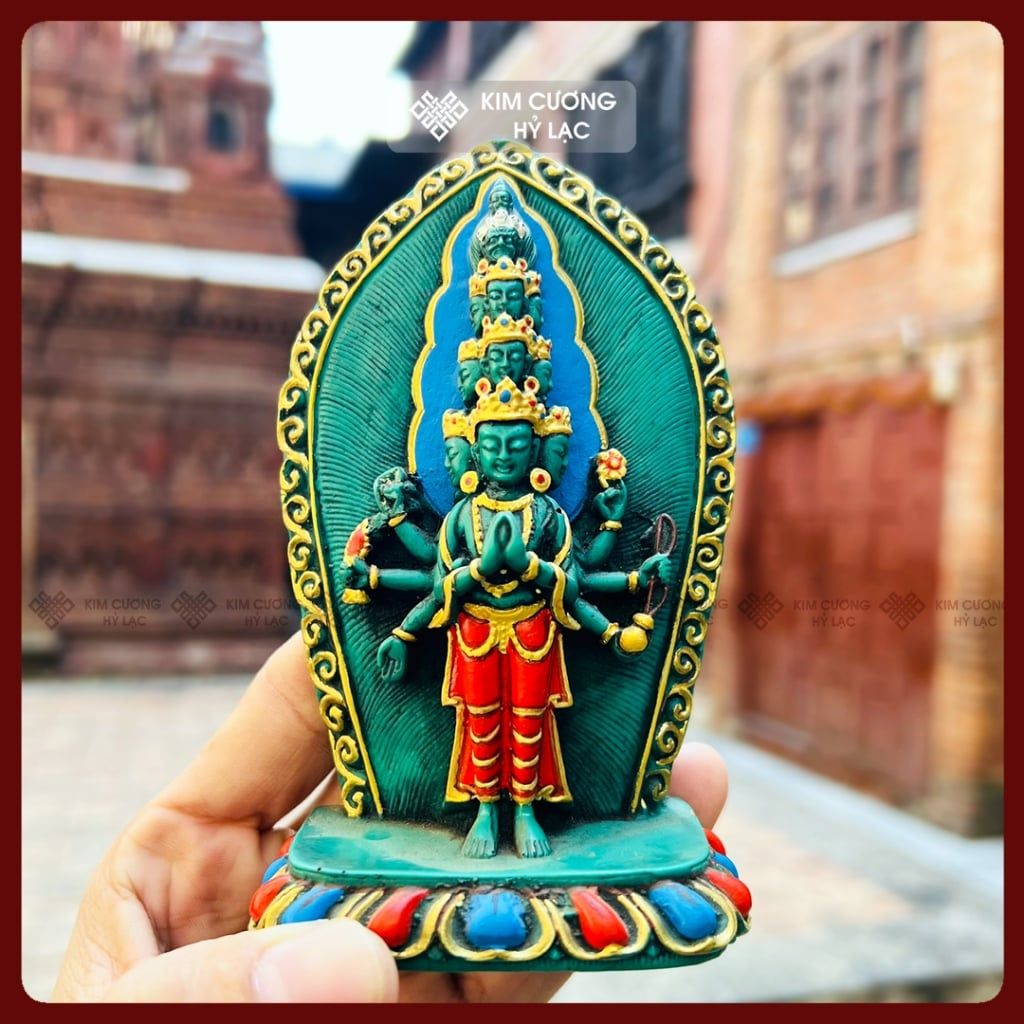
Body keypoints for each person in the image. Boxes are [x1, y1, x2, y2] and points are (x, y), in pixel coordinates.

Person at [52, 631, 727, 1002]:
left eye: (518, 443)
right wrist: (405, 626)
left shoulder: (546, 515)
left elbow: (571, 582)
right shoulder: (463, 518)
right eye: (491, 443)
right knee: (477, 732)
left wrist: (598, 611)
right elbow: (439, 584)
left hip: (535, 635)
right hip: (472, 636)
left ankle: (524, 813)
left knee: (530, 728)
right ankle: (484, 816)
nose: (504, 455)